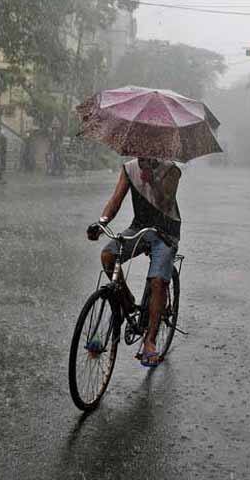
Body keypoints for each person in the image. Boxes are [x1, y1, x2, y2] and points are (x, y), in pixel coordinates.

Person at [86, 157, 181, 367]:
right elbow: (116, 200)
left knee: (158, 281)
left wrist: (152, 180)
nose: (144, 154)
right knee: (108, 255)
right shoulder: (129, 168)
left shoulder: (171, 170)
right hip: (139, 228)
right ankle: (126, 300)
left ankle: (150, 341)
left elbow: (166, 201)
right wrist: (101, 223)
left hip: (166, 232)